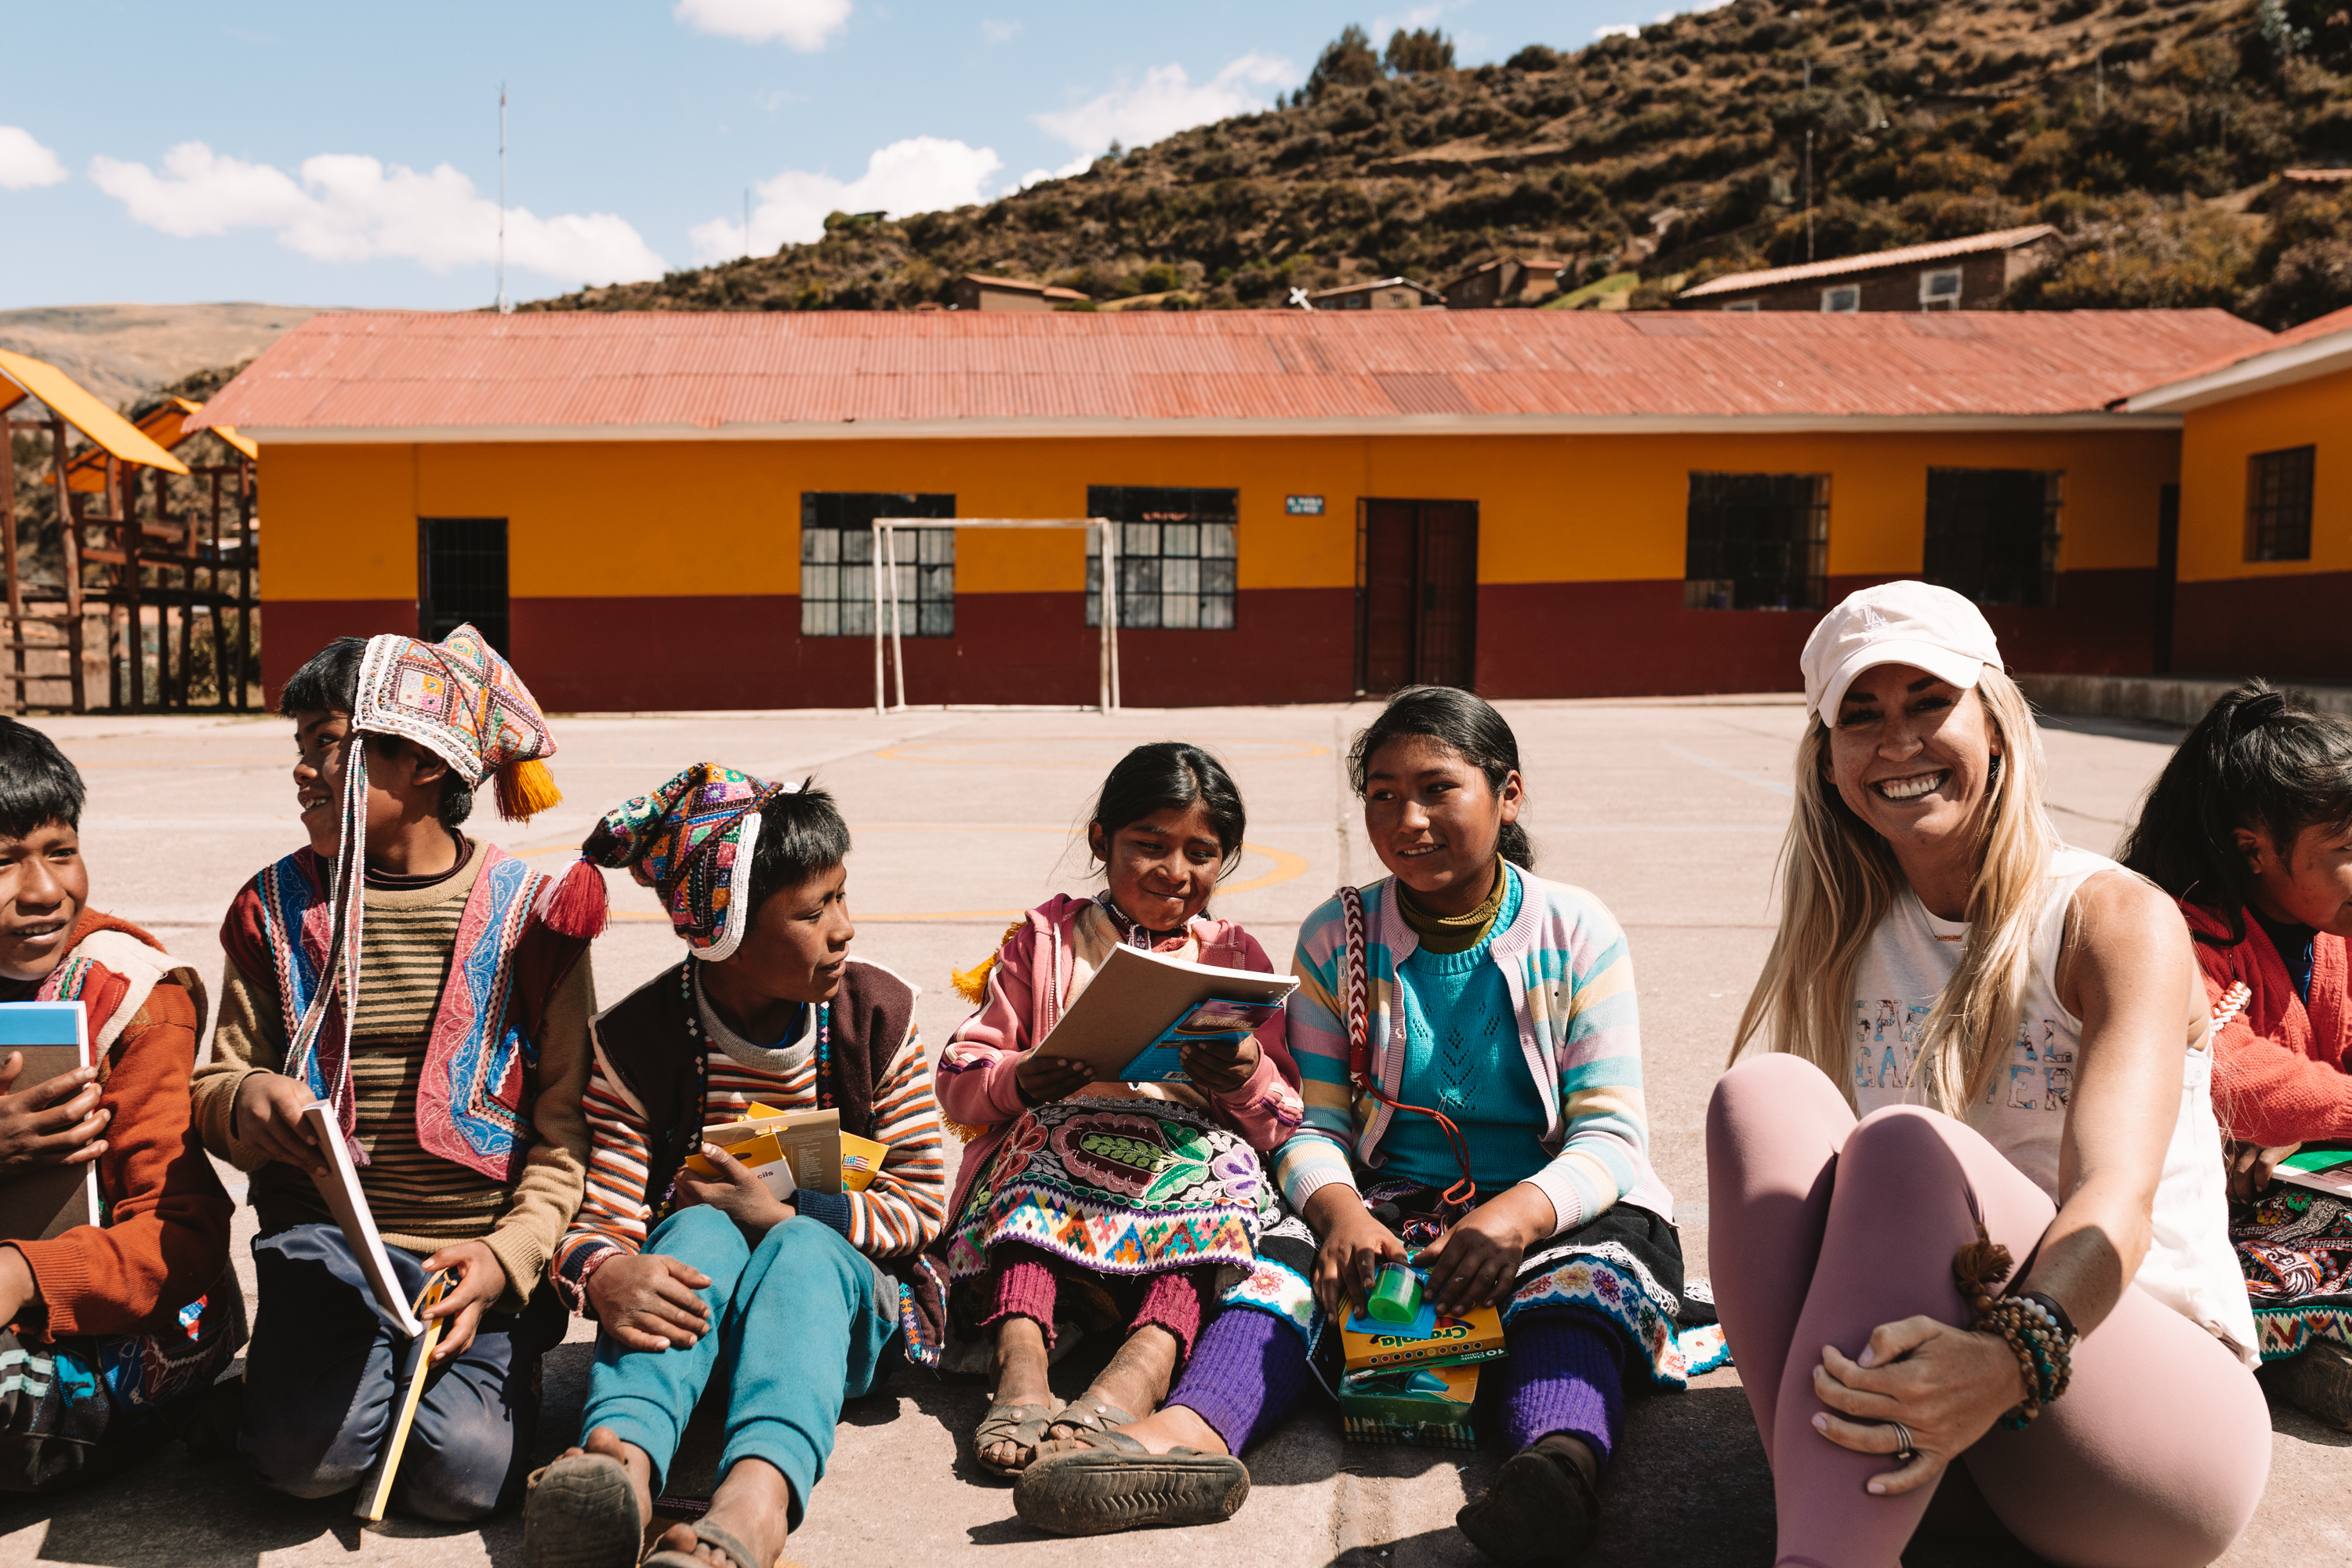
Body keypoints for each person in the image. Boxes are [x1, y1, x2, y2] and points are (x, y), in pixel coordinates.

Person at [1016, 690, 1722, 1563]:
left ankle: (1557, 1465)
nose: (1407, 819)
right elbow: (1315, 1128)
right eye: (1382, 794)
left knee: (1575, 1294)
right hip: (1393, 1200)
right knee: (1279, 1271)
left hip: (1557, 1205)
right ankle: (1185, 1438)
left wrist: (1514, 1218)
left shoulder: (1576, 930)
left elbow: (1611, 1138)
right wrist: (1343, 1211)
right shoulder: (1336, 937)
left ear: (1509, 794)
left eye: (1437, 789)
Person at [1707, 581, 2269, 1568]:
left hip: (2139, 1436)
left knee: (1907, 1148)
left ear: (1997, 724)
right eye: (1861, 715)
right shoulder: (1847, 940)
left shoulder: (2108, 918)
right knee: (1761, 1098)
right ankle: (1832, 1516)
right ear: (1829, 759)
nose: (1897, 743)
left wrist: (2012, 1354)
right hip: (1953, 1441)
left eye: (1929, 702)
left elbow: (2115, 1198)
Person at [194, 628, 602, 1519]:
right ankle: (306, 1384)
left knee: (463, 1480)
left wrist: (507, 1257)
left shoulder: (537, 917)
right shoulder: (271, 906)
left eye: (325, 743)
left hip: (469, 1262)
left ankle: (484, 1367)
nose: (302, 771)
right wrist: (247, 1100)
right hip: (325, 1245)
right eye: (297, 747)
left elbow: (566, 1128)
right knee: (308, 1468)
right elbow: (215, 1085)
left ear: (417, 758)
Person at [524, 764, 946, 1568]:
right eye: (812, 911)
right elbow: (600, 1213)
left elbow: (924, 1205)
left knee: (799, 1249)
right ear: (724, 933)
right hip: (693, 1325)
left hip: (840, 1323)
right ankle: (619, 1469)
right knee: (697, 1225)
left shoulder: (878, 1019)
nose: (844, 928)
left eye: (842, 897)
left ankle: (753, 1507)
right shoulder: (638, 1043)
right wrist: (606, 1273)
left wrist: (787, 1215)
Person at [931, 742, 1305, 1476]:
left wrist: (1244, 1073)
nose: (1175, 871)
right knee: (1042, 1136)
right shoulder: (1044, 942)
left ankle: (1137, 1371)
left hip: (1177, 1180)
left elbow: (1284, 1119)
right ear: (1102, 839)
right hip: (1055, 1174)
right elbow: (960, 1074)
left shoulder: (1234, 956)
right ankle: (1021, 1367)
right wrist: (1023, 1077)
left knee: (1227, 1172)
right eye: (1150, 845)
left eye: (1202, 852)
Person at [0, 719, 241, 1492]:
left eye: (60, 851)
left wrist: (20, 1273)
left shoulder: (130, 995)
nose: (42, 891)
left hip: (119, 1324)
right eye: (2, 861)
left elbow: (182, 1240)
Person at [2118, 680, 2352, 1427]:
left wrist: (2306, 1125)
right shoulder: (2180, 933)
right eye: (2348, 849)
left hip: (2303, 1180)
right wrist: (2303, 1113)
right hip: (2219, 1209)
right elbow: (2231, 1072)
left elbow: (2295, 1096)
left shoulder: (2338, 929)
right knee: (2198, 1282)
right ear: (2254, 851)